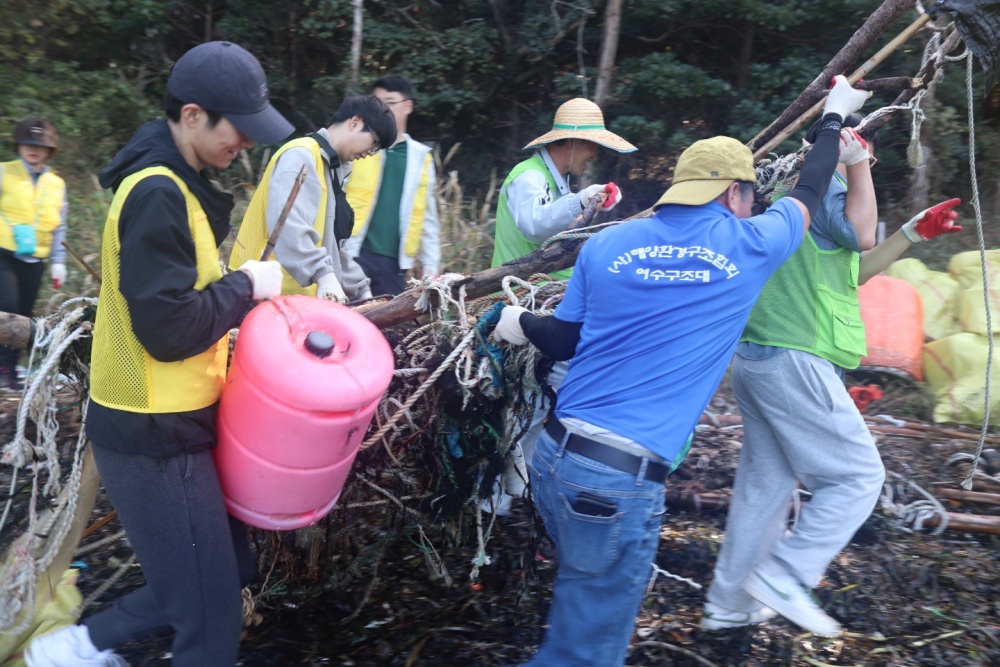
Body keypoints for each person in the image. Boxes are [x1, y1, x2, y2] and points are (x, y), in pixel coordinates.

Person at [491, 76, 872, 665]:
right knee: (584, 650)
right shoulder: (750, 247)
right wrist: (834, 118)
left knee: (580, 607)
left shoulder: (610, 244)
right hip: (615, 484)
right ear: (732, 194)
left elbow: (563, 339)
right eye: (748, 195)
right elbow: (814, 184)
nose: (753, 204)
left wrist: (515, 321)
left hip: (554, 462)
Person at [24, 41, 293, 667]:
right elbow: (169, 331)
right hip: (151, 431)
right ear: (193, 115)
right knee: (209, 620)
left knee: (226, 568)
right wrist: (246, 286)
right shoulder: (157, 193)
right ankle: (71, 650)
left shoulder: (179, 181)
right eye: (238, 130)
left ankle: (73, 649)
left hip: (176, 419)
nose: (245, 144)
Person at [702, 115, 963, 636]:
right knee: (858, 476)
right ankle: (787, 574)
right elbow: (863, 233)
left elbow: (850, 270)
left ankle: (727, 605)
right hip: (796, 354)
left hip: (763, 359)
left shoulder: (792, 195)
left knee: (766, 487)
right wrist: (857, 162)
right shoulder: (825, 183)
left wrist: (912, 233)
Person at [486, 97, 635, 514]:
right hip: (522, 298)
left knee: (537, 402)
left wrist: (590, 204)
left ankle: (515, 493)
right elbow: (534, 224)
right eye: (590, 147)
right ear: (570, 143)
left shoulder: (554, 181)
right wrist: (580, 199)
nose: (592, 156)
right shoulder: (528, 177)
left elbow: (559, 233)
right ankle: (496, 501)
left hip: (550, 299)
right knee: (529, 400)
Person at [230, 95, 395, 301]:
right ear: (355, 122)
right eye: (375, 143)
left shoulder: (333, 169)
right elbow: (288, 226)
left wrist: (359, 288)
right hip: (261, 292)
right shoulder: (301, 155)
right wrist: (323, 275)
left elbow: (331, 244)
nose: (372, 153)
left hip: (295, 298)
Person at [344, 75, 440, 296]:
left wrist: (431, 265)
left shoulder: (420, 157)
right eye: (376, 104)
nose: (382, 110)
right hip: (351, 252)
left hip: (394, 264)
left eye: (389, 103)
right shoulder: (358, 144)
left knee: (387, 327)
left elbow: (427, 216)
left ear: (408, 106)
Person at [0, 117, 68, 390]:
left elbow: (60, 224)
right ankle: (3, 367)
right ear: (19, 144)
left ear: (49, 150)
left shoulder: (57, 184)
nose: (33, 149)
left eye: (39, 145)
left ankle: (11, 370)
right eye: (28, 143)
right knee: (8, 308)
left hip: (35, 258)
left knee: (25, 316)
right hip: (3, 251)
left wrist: (58, 263)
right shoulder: (4, 171)